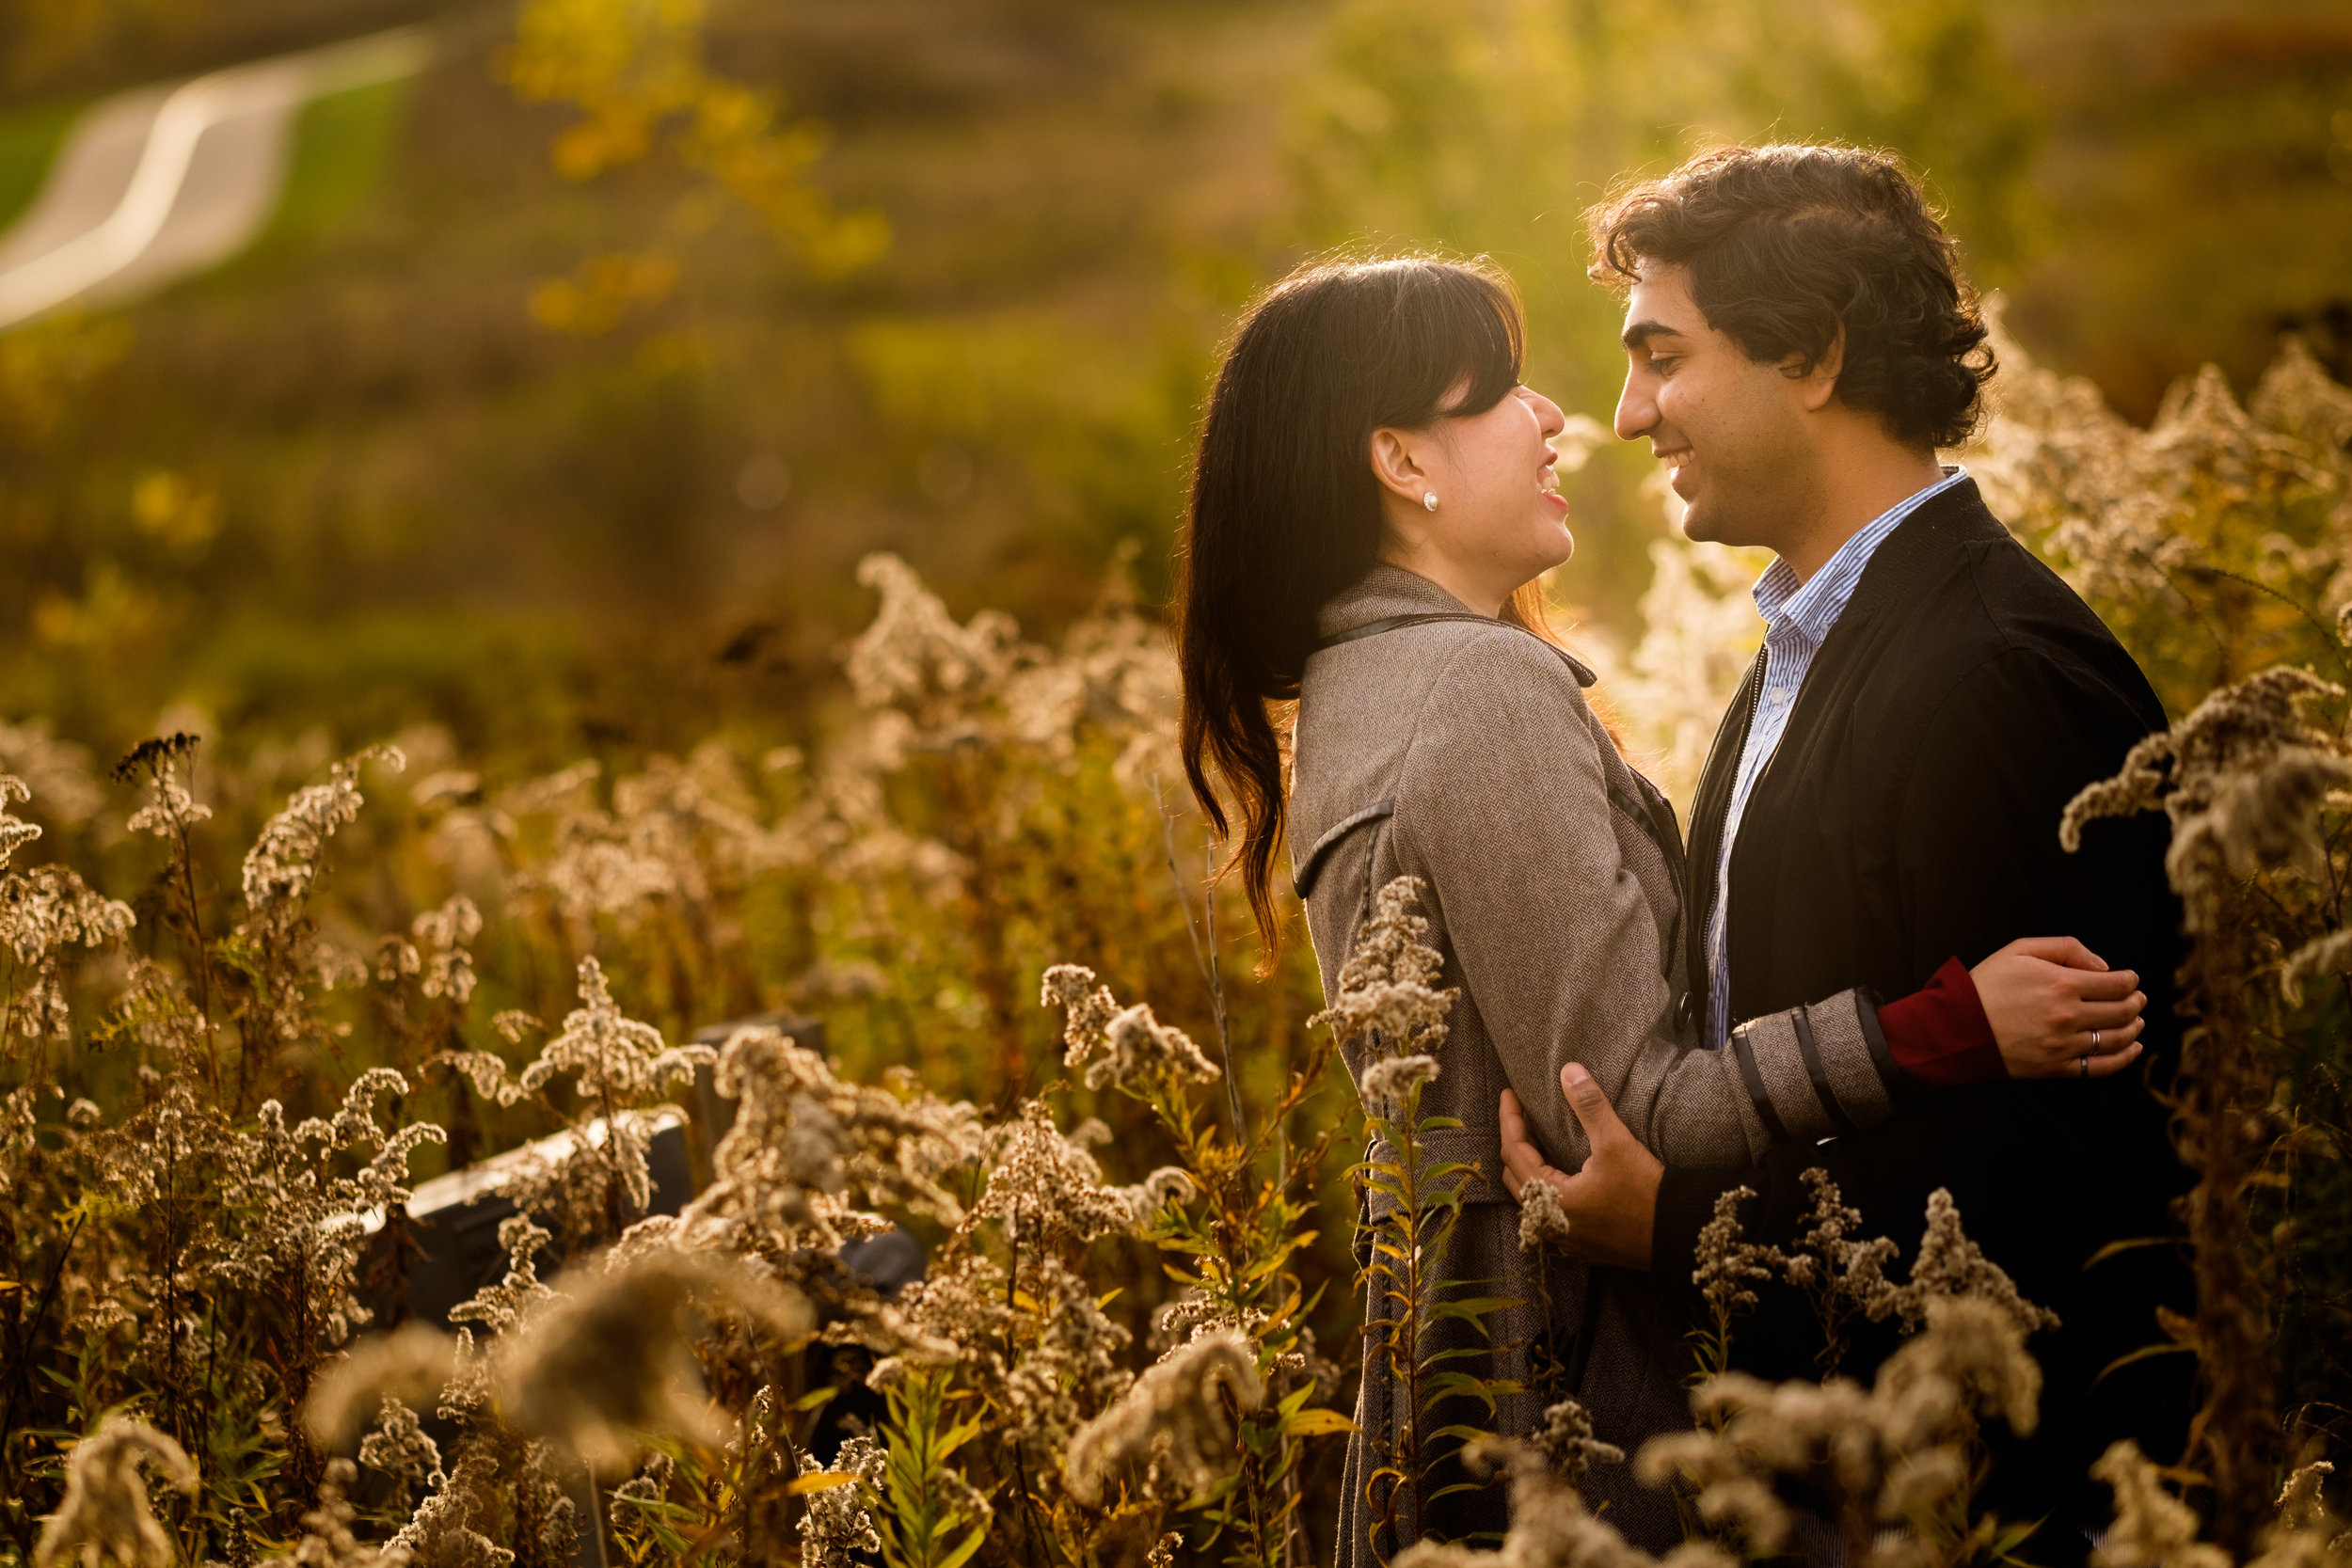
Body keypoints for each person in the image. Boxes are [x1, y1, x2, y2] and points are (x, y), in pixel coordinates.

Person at [1175, 252, 2150, 1563]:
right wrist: (1943, 1025)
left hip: (1456, 1369)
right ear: (1403, 463)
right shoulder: (1473, 692)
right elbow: (1628, 1110)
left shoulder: (1364, 687)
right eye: (1501, 392)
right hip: (1568, 1401)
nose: (1560, 416)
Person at [1499, 143, 2194, 1560]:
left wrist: (1675, 1222)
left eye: (1664, 357)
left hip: (1993, 1502)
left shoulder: (1997, 673)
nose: (1629, 417)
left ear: (1811, 355)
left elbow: (2059, 1172)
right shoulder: (1811, 651)